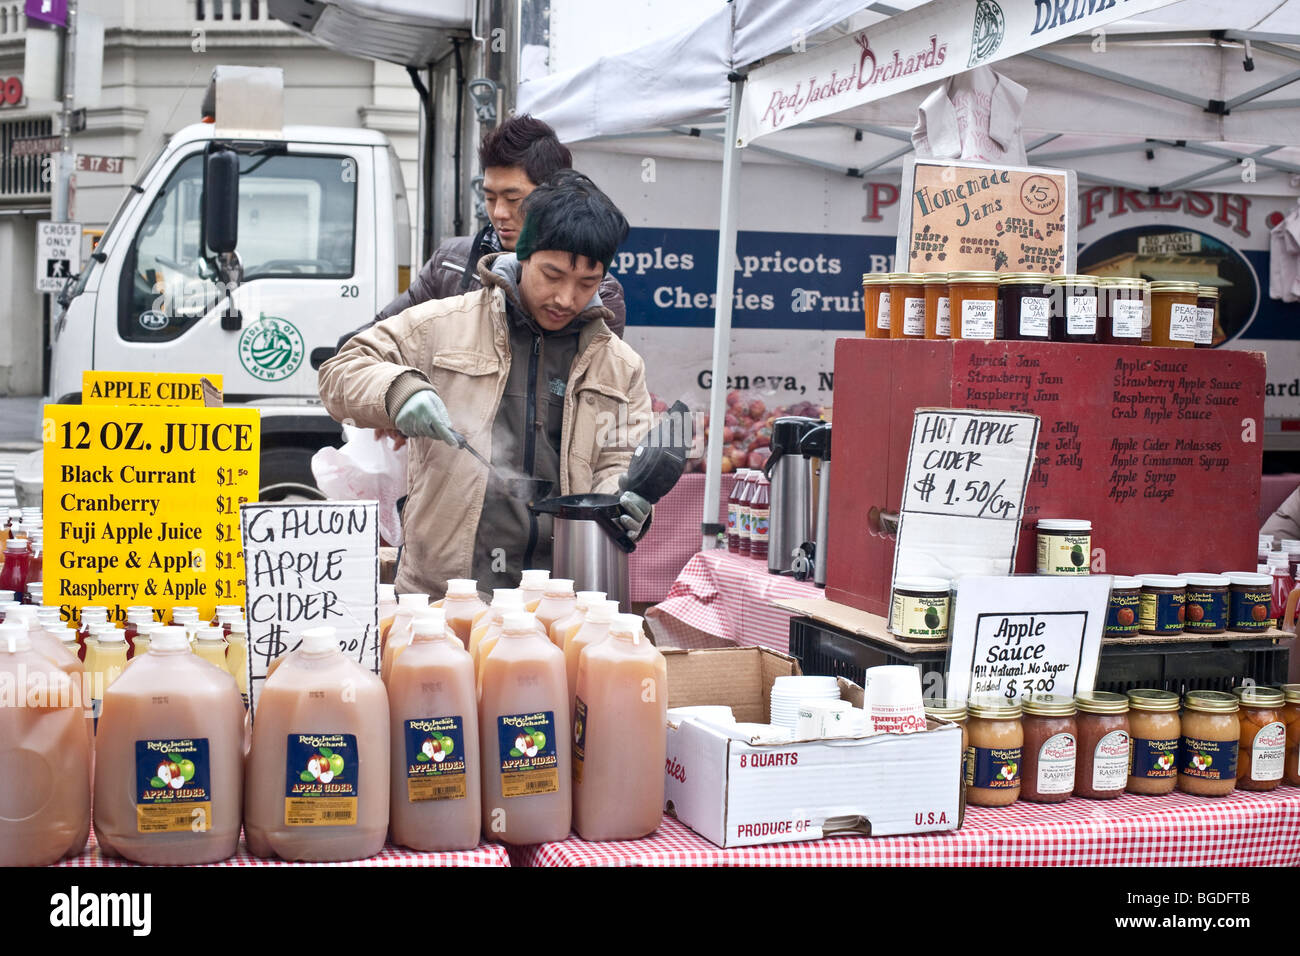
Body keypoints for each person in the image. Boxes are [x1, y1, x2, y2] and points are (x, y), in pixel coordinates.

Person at [318, 171, 652, 597]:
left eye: (587, 283)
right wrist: (399, 390)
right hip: (443, 597)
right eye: (552, 275)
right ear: (524, 256)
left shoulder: (620, 366)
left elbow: (619, 458)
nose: (567, 299)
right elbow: (340, 371)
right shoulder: (443, 324)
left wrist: (622, 499)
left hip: (562, 602)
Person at [338, 114, 625, 348]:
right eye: (489, 198)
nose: (499, 213)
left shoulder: (601, 295)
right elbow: (369, 341)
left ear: (553, 195)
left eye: (514, 199)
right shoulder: (450, 262)